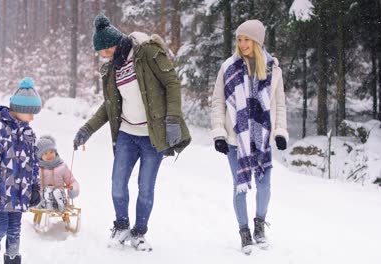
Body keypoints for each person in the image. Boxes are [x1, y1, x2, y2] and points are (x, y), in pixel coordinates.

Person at [73, 14, 191, 251]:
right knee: (118, 183)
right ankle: (122, 226)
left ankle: (139, 233)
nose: (102, 56)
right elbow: (109, 107)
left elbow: (172, 83)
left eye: (103, 51)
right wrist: (87, 129)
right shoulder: (112, 69)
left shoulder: (146, 53)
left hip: (152, 136)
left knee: (145, 187)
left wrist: (173, 119)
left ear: (113, 45)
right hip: (127, 134)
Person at [210, 20, 288, 255]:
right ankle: (244, 232)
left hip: (262, 138)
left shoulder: (273, 69)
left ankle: (259, 226)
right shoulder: (228, 67)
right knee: (240, 187)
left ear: (257, 41)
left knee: (264, 185)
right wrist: (219, 135)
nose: (242, 44)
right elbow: (217, 102)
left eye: (247, 40)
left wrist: (280, 132)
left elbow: (280, 104)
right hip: (235, 139)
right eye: (239, 39)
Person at [0, 77, 42, 264]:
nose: (32, 118)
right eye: (30, 113)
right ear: (20, 110)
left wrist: (35, 187)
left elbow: (34, 164)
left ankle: (12, 259)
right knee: (0, 228)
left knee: (15, 229)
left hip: (20, 191)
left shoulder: (29, 133)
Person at [36, 135, 80, 213]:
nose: (49, 155)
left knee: (57, 192)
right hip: (43, 200)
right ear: (40, 156)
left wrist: (73, 189)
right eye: (45, 153)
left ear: (55, 152)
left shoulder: (62, 167)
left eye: (51, 152)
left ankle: (60, 202)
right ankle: (48, 202)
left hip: (60, 198)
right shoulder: (38, 169)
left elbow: (72, 181)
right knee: (46, 191)